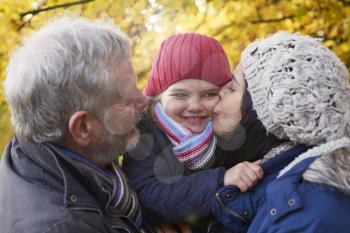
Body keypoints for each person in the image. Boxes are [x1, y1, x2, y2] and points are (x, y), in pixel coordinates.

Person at [0, 17, 149, 233]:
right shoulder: (62, 226)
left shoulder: (42, 152)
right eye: (127, 99)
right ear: (83, 128)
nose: (144, 99)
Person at [122, 33, 264, 232]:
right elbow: (145, 196)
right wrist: (220, 181)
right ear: (158, 95)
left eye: (209, 94)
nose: (196, 106)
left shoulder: (226, 130)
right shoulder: (146, 132)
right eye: (180, 95)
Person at [211, 31, 350, 232]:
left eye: (232, 88)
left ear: (265, 114)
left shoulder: (306, 216)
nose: (219, 92)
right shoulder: (275, 196)